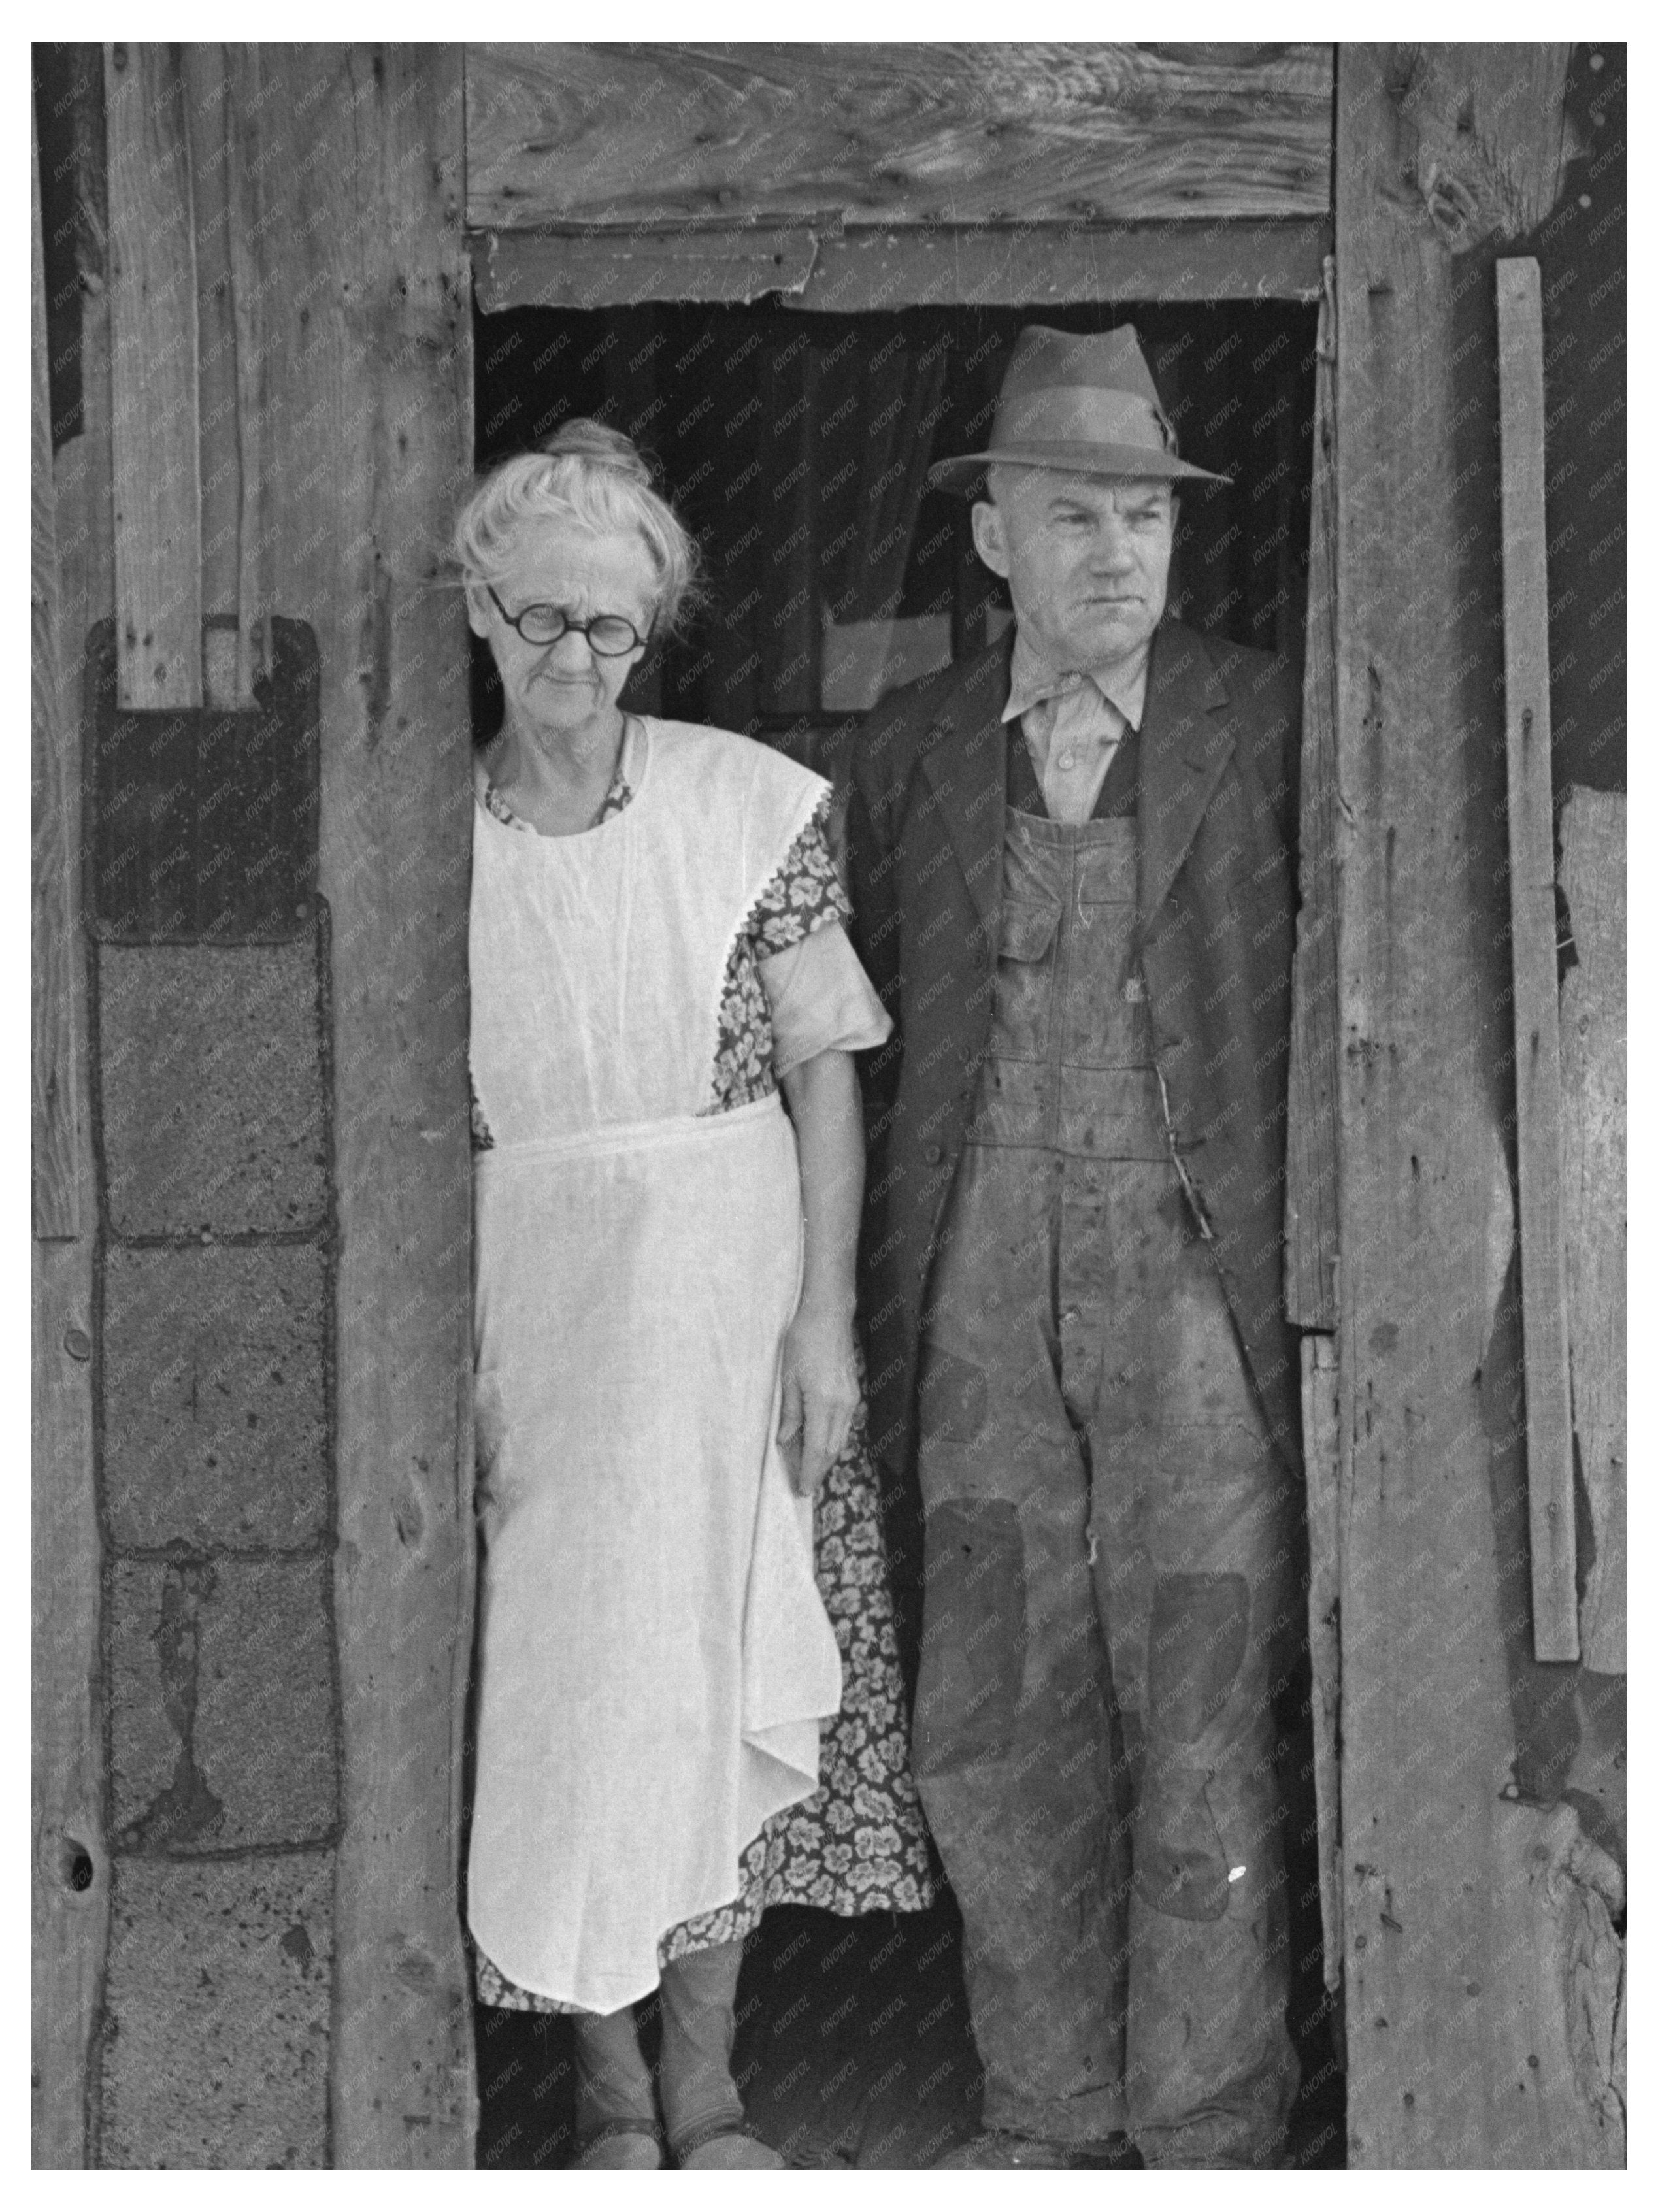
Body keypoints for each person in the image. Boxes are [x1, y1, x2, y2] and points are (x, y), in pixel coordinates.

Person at [842, 325, 1304, 2169]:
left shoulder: (1265, 723)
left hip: (1194, 1287)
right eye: (1072, 514)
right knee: (994, 1706)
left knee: (1195, 1696)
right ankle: (1042, 2111)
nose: (1117, 552)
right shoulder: (908, 752)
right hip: (971, 1284)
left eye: (1143, 516)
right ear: (989, 542)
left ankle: (1203, 2121)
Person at [461, 421, 932, 2170]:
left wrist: (818, 1328)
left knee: (724, 1664)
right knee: (577, 1696)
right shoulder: (438, 838)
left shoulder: (748, 807)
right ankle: (601, 2099)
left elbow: (827, 1072)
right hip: (546, 1316)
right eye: (540, 622)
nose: (573, 661)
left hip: (733, 1309)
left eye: (610, 629)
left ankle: (709, 2092)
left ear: (650, 634)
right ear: (481, 615)